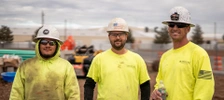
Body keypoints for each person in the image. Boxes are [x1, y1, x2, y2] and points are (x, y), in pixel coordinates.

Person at [151, 6, 214, 100]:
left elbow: (205, 89)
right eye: (171, 24)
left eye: (180, 25)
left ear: (188, 29)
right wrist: (156, 92)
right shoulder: (165, 56)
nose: (175, 28)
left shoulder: (199, 54)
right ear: (168, 28)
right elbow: (159, 82)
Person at [84, 18, 151, 100]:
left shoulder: (137, 59)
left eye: (121, 34)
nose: (117, 37)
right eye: (114, 34)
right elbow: (89, 85)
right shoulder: (99, 59)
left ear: (126, 36)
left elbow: (145, 85)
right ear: (109, 36)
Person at [9, 25, 80, 100]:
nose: (47, 45)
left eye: (52, 43)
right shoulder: (25, 66)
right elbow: (16, 93)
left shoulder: (66, 66)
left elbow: (73, 94)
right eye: (44, 42)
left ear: (57, 46)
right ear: (38, 44)